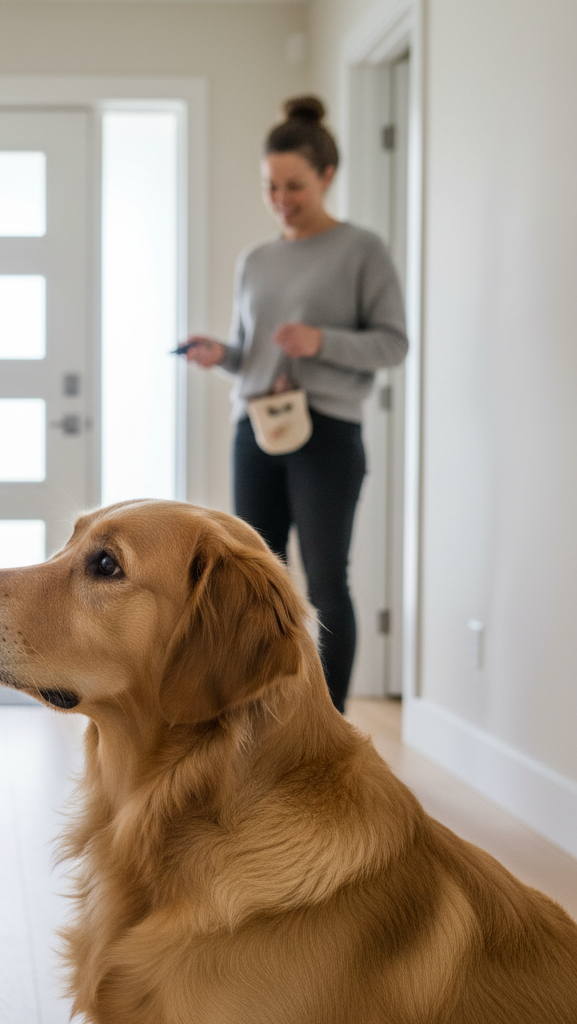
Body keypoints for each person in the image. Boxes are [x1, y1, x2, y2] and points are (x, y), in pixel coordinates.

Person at [182, 95, 408, 713]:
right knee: (254, 581)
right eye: (270, 186)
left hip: (327, 432)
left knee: (326, 583)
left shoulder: (362, 250)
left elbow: (393, 343)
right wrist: (222, 353)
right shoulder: (254, 260)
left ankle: (328, 726)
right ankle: (265, 718)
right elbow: (256, 352)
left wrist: (321, 341)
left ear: (327, 177)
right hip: (254, 430)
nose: (281, 198)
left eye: (295, 186)